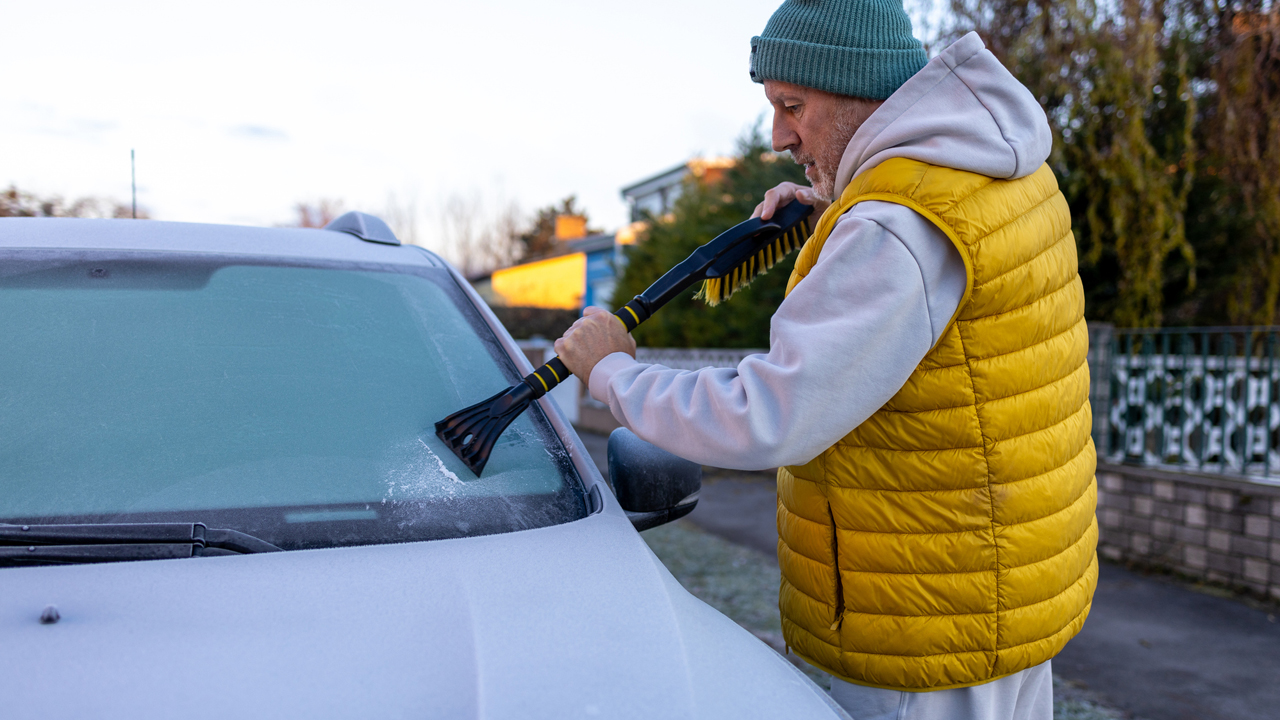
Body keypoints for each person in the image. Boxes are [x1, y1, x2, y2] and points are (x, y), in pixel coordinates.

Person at [554, 1, 1098, 718]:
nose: (779, 134)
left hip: (917, 628)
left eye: (792, 105)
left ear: (859, 89)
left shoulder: (894, 228)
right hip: (1002, 596)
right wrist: (837, 205)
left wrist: (613, 372)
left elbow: (769, 416)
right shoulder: (993, 172)